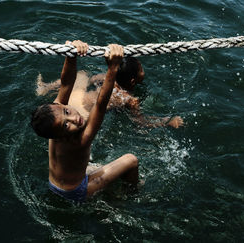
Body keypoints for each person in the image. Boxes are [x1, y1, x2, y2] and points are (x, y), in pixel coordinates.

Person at [31, 40, 140, 203]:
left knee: (95, 166)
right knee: (131, 160)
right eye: (66, 125)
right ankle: (130, 195)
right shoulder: (81, 140)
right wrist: (113, 68)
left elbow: (67, 82)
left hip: (55, 184)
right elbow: (101, 103)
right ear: (60, 134)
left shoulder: (55, 125)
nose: (75, 118)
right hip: (77, 191)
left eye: (67, 112)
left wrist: (71, 55)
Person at [36, 53, 184, 129]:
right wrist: (167, 122)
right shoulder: (129, 99)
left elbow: (93, 79)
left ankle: (45, 89)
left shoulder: (104, 77)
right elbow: (140, 123)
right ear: (133, 81)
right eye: (141, 70)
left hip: (76, 98)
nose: (143, 71)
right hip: (84, 115)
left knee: (82, 74)